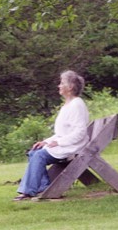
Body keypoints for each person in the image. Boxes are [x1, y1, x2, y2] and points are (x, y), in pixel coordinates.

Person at [13, 70, 89, 201]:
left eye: (62, 83)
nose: (59, 86)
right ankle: (43, 187)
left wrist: (59, 143)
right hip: (64, 144)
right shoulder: (67, 105)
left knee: (39, 155)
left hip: (73, 146)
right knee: (34, 151)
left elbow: (80, 132)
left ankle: (28, 191)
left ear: (70, 87)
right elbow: (60, 133)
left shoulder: (77, 104)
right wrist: (46, 142)